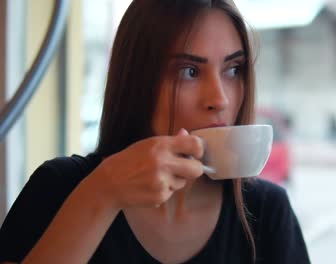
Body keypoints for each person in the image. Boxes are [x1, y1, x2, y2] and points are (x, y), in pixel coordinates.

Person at [0, 0, 310, 263]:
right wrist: (103, 192)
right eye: (189, 72)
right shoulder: (59, 189)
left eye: (233, 70)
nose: (220, 99)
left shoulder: (266, 212)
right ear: (137, 82)